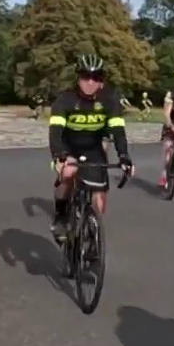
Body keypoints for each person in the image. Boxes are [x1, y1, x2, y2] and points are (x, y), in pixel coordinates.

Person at [47, 54, 134, 240]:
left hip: (93, 148)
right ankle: (61, 216)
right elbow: (55, 132)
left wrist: (124, 156)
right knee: (68, 175)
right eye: (86, 76)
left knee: (99, 197)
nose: (90, 82)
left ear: (102, 80)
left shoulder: (110, 100)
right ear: (77, 78)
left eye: (96, 78)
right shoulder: (65, 100)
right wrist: (59, 156)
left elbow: (118, 131)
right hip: (67, 146)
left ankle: (92, 233)